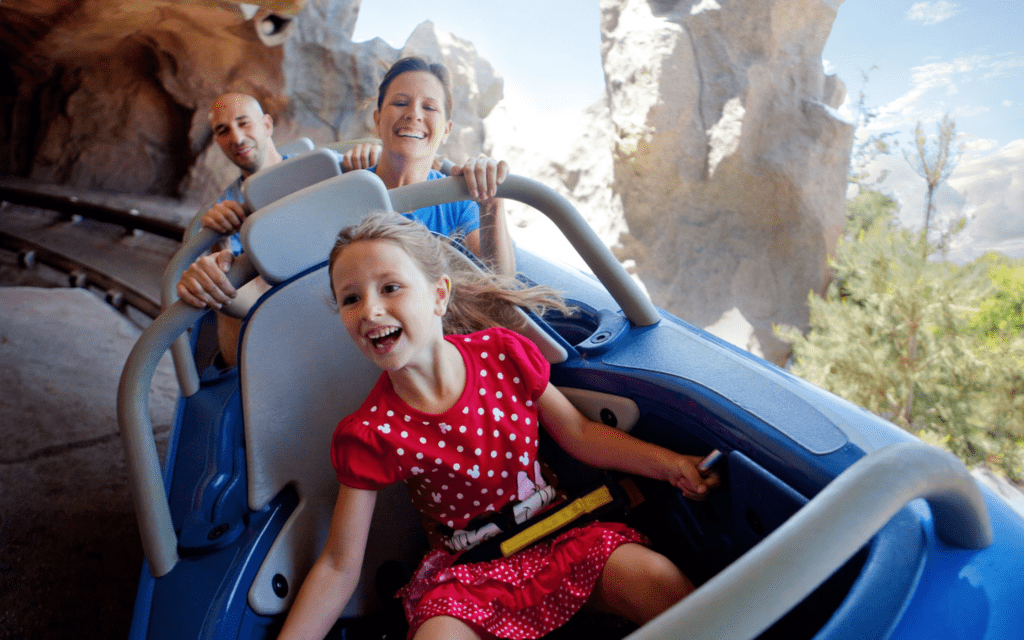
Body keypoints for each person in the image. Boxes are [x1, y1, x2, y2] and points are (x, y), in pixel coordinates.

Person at [277, 212, 720, 640]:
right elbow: (338, 564)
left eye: (390, 288)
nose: (370, 310)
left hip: (562, 537)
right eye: (350, 298)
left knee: (655, 577)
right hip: (472, 574)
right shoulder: (371, 433)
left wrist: (670, 464)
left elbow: (580, 434)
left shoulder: (503, 353)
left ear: (438, 295)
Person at [177, 59, 515, 367]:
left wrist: (492, 204)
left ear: (447, 128)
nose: (414, 114)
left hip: (430, 359)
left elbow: (500, 290)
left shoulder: (456, 199)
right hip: (341, 355)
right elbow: (273, 292)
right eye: (400, 102)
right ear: (378, 118)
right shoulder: (335, 191)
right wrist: (218, 281)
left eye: (429, 107)